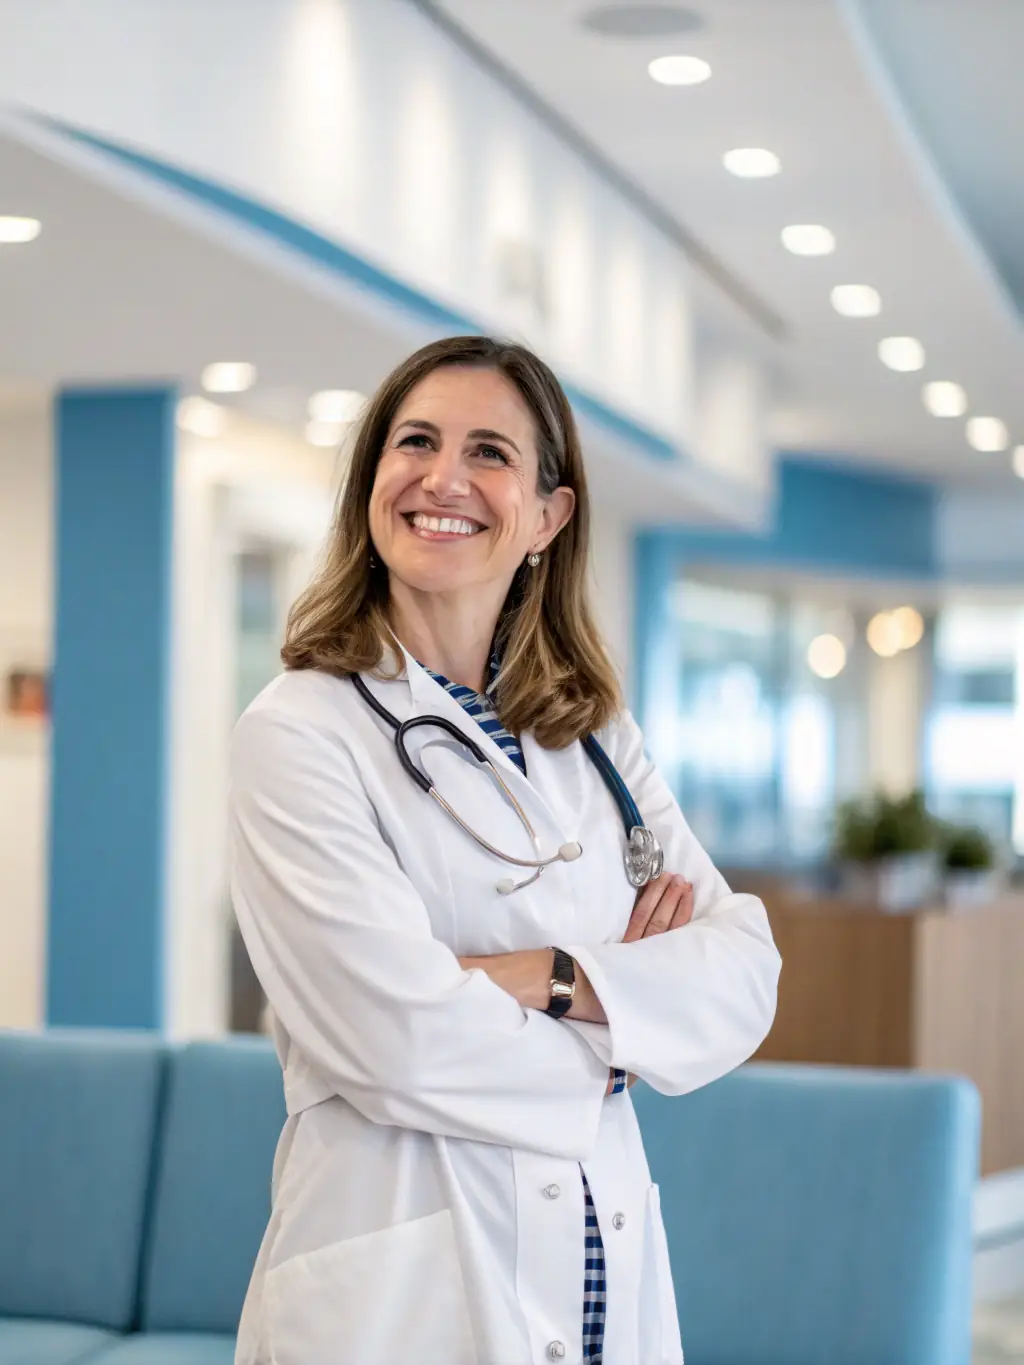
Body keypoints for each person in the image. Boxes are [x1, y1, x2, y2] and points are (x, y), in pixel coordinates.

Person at [229, 335, 780, 1365]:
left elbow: (743, 974)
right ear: (371, 481)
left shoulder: (591, 733)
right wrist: (623, 1019)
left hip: (600, 1268)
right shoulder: (300, 732)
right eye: (415, 442)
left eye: (489, 452)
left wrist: (542, 977)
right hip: (400, 1293)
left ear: (546, 517)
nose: (443, 478)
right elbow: (393, 1036)